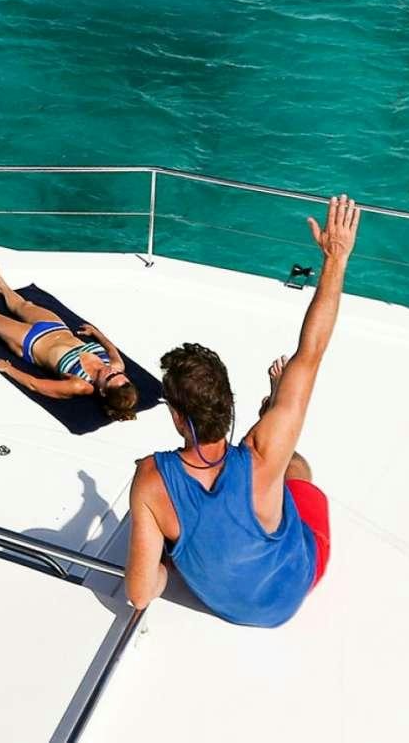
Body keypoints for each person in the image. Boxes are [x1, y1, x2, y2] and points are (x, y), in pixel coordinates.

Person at [122, 194, 357, 627]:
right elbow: (311, 352)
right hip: (294, 588)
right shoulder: (264, 455)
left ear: (175, 414)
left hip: (226, 604)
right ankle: (270, 407)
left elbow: (138, 593)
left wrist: (163, 566)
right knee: (298, 470)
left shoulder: (151, 479)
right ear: (228, 403)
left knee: (177, 527)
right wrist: (335, 259)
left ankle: (268, 412)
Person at [0, 263, 139, 422]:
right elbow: (111, 348)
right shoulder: (116, 365)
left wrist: (9, 369)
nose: (112, 371)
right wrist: (96, 332)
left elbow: (35, 385)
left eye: (110, 377)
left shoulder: (80, 385)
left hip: (30, 343)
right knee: (24, 305)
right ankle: (1, 285)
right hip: (57, 328)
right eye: (119, 374)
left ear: (103, 390)